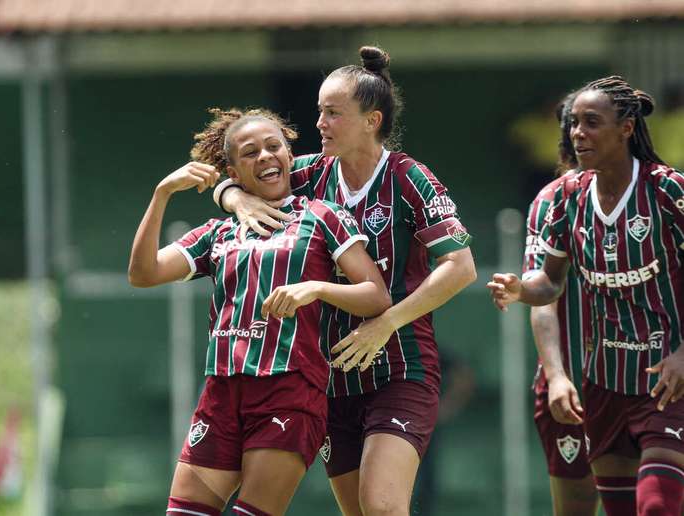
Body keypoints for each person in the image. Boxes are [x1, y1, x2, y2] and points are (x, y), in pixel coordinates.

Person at [214, 47, 477, 516]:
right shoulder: (311, 174)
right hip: (332, 377)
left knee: (381, 507)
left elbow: (460, 267)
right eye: (319, 111)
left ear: (371, 120)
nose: (319, 123)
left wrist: (384, 323)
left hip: (401, 369)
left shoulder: (409, 178)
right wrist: (234, 197)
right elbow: (237, 171)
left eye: (332, 113)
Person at [128, 107, 391, 516]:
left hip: (288, 390)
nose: (265, 156)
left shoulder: (322, 217)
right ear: (233, 171)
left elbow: (376, 295)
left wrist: (315, 288)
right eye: (250, 153)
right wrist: (162, 193)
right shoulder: (219, 232)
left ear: (289, 156)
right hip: (221, 392)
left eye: (274, 147)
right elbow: (143, 274)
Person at [489, 76, 684, 516]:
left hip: (666, 383)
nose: (578, 133)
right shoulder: (563, 199)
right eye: (574, 123)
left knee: (656, 506)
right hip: (603, 385)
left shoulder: (668, 192)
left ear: (627, 128)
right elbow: (549, 283)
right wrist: (522, 289)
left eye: (591, 122)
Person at [524, 93, 598, 516]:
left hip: (651, 383)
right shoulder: (553, 201)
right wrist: (555, 375)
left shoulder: (660, 191)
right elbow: (543, 296)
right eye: (579, 123)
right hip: (574, 385)